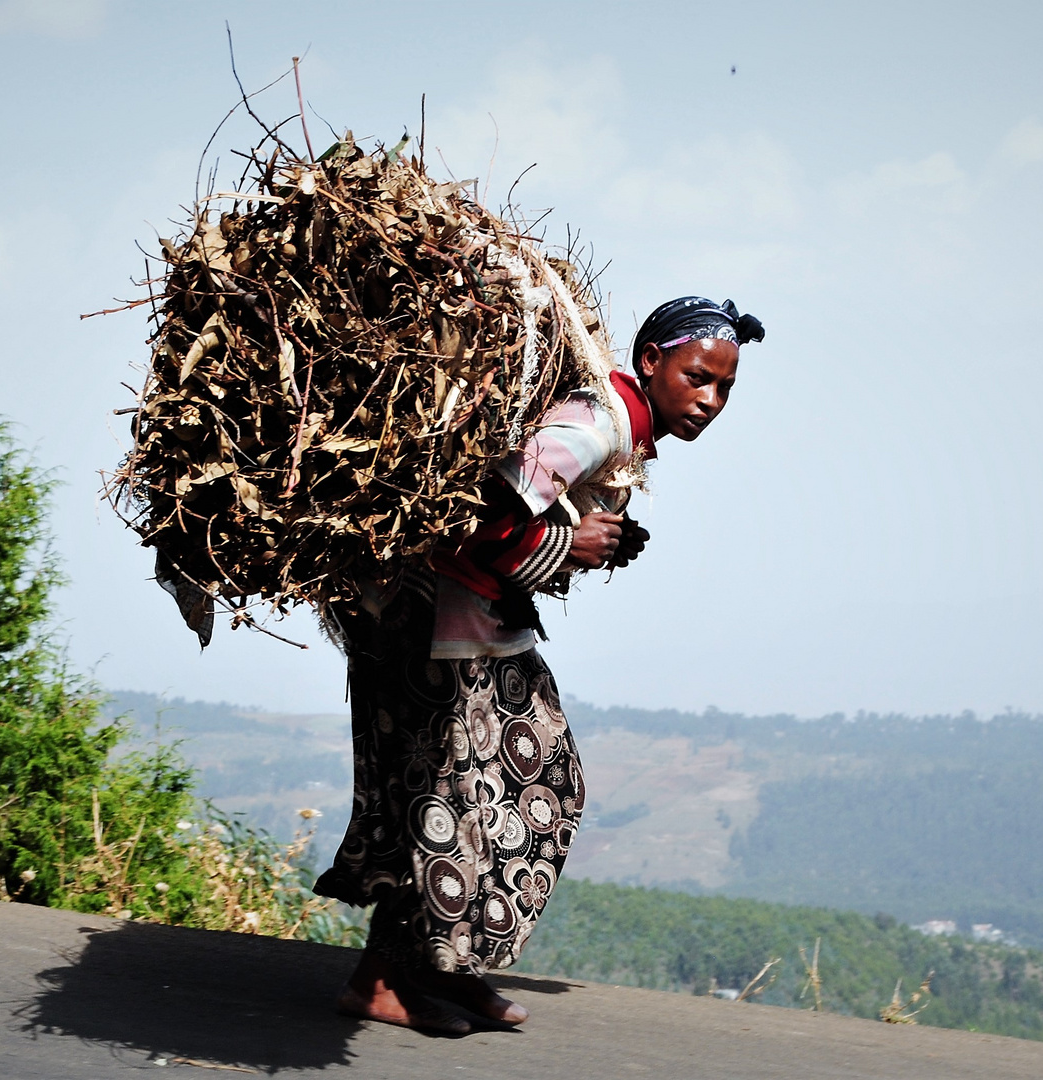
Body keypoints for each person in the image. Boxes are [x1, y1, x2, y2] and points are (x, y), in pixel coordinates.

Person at [315, 296, 765, 1034]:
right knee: (450, 803)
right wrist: (568, 546)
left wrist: (591, 540)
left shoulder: (621, 434)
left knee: (527, 788)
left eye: (723, 388)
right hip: (428, 631)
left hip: (480, 632)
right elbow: (470, 514)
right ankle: (377, 982)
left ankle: (446, 970)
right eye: (697, 378)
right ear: (651, 362)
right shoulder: (591, 427)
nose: (709, 401)